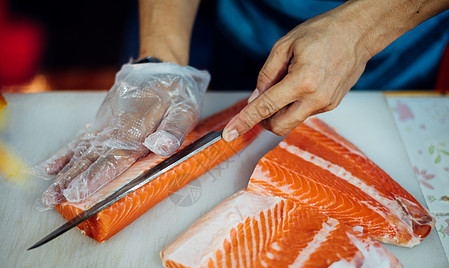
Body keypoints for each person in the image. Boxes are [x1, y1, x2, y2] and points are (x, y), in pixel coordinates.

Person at [36, 0, 449, 207]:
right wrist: (159, 62)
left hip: (390, 37)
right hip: (228, 21)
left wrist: (363, 28)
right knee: (155, 128)